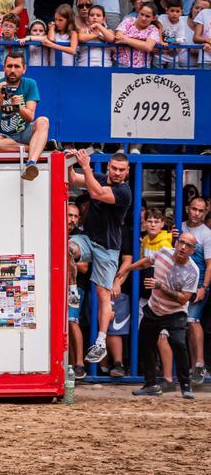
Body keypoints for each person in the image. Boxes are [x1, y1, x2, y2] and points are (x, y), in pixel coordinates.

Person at [67, 150, 132, 365]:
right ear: (108, 167)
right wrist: (69, 161)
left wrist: (85, 166)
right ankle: (73, 289)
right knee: (66, 248)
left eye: (121, 170)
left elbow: (96, 193)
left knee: (103, 293)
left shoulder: (124, 192)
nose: (117, 172)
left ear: (127, 172)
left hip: (108, 248)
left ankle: (100, 342)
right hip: (88, 238)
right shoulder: (102, 177)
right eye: (114, 168)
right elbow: (74, 179)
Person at [118, 232, 199, 399]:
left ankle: (185, 385)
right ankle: (151, 384)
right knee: (145, 345)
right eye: (181, 242)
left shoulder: (193, 270)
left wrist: (160, 286)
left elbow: (183, 298)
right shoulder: (163, 252)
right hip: (154, 308)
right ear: (176, 243)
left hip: (175, 312)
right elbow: (148, 262)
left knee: (178, 344)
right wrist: (129, 268)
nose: (183, 247)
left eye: (188, 245)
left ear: (192, 250)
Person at [0, 52, 49, 181]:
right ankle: (35, 148)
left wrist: (18, 107)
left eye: (17, 66)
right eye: (9, 66)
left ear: (24, 69)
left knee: (43, 121)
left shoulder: (30, 84)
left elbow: (30, 117)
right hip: (4, 137)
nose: (12, 70)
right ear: (4, 68)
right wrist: (0, 99)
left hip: (24, 132)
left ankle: (31, 163)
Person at [172, 196, 211, 384]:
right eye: (194, 209)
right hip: (180, 280)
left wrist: (204, 287)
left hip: (199, 281)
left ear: (205, 213)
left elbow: (210, 264)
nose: (196, 213)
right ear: (188, 208)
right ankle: (191, 365)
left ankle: (200, 364)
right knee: (184, 323)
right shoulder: (179, 227)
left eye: (201, 211)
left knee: (192, 320)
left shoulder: (207, 234)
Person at [67, 202, 87, 379]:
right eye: (69, 215)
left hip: (74, 288)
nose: (72, 219)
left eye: (75, 216)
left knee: (72, 321)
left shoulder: (80, 237)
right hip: (54, 287)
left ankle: (80, 364)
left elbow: (85, 267)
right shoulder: (52, 229)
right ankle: (70, 366)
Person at [114, 2, 161, 69]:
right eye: (142, 14)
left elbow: (148, 47)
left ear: (153, 18)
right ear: (138, 12)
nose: (143, 18)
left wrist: (126, 39)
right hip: (121, 64)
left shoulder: (153, 29)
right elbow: (118, 37)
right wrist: (141, 42)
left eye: (147, 16)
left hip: (142, 68)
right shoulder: (128, 21)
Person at [158, 0, 190, 68]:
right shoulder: (162, 18)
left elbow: (181, 40)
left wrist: (166, 39)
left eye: (177, 11)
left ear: (181, 12)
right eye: (172, 11)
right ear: (167, 10)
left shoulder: (181, 23)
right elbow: (157, 33)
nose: (174, 14)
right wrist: (174, 40)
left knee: (173, 76)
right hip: (159, 54)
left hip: (172, 56)